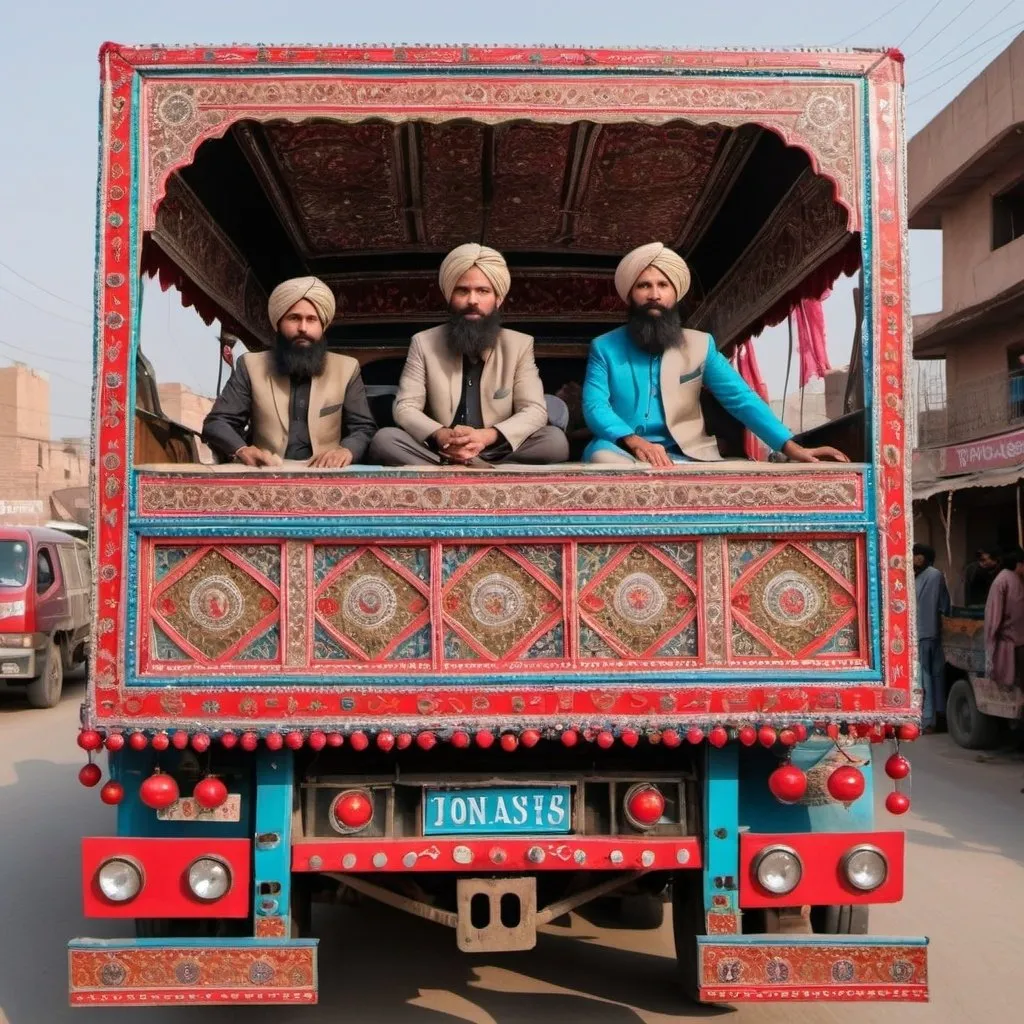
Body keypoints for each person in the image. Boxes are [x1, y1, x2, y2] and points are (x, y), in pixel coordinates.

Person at [581, 242, 847, 466]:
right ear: (631, 295)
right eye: (644, 286)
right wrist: (634, 441)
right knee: (607, 462)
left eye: (663, 285)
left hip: (685, 453)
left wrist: (790, 447)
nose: (654, 294)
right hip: (620, 451)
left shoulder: (700, 345)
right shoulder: (604, 347)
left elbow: (740, 398)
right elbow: (595, 406)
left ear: (675, 293)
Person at [369, 244, 569, 467]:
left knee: (554, 441)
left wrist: (486, 436)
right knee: (384, 440)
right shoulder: (423, 343)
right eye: (463, 290)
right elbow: (405, 407)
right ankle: (478, 470)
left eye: (483, 291)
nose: (472, 300)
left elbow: (534, 410)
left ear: (498, 299)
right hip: (441, 450)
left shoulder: (519, 344)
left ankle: (468, 467)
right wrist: (441, 434)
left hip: (495, 450)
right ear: (450, 297)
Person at [202, 276, 376, 468]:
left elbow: (363, 428)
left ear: (322, 326)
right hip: (266, 471)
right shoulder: (251, 365)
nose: (303, 328)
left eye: (311, 320)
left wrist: (346, 451)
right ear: (278, 323)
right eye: (294, 318)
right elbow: (217, 422)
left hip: (327, 473)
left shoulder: (347, 368)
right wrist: (242, 450)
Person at [913, 543, 951, 732]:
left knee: (926, 677)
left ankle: (929, 720)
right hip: (927, 632)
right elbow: (945, 605)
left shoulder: (930, 575)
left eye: (917, 555)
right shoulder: (924, 575)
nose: (914, 559)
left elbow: (943, 604)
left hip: (925, 633)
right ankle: (936, 716)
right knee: (933, 676)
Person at [984, 547, 1024, 691]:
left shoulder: (1017, 579)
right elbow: (993, 616)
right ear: (1019, 564)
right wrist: (991, 644)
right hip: (1010, 643)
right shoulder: (1002, 580)